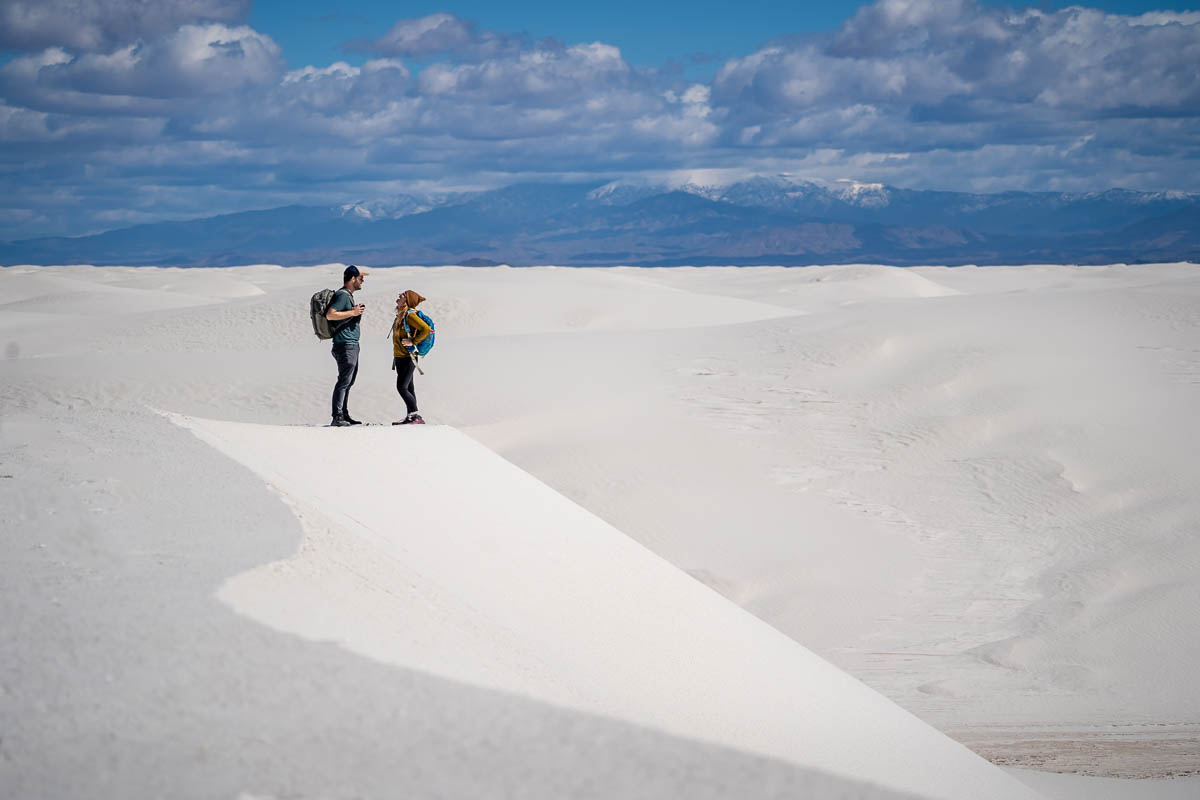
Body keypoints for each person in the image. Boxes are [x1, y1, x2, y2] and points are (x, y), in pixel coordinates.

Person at [325, 265, 369, 426]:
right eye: (360, 278)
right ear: (352, 279)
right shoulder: (342, 295)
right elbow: (330, 315)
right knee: (344, 381)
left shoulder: (347, 296)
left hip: (351, 345)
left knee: (348, 381)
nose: (362, 281)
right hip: (344, 345)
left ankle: (344, 414)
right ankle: (337, 417)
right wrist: (353, 312)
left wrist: (354, 311)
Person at [392, 289, 430, 425]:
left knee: (401, 387)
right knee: (408, 387)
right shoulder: (401, 315)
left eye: (402, 295)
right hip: (400, 357)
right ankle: (411, 416)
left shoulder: (410, 316)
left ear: (407, 300)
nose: (399, 295)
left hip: (408, 357)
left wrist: (413, 341)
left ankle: (415, 415)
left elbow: (425, 329)